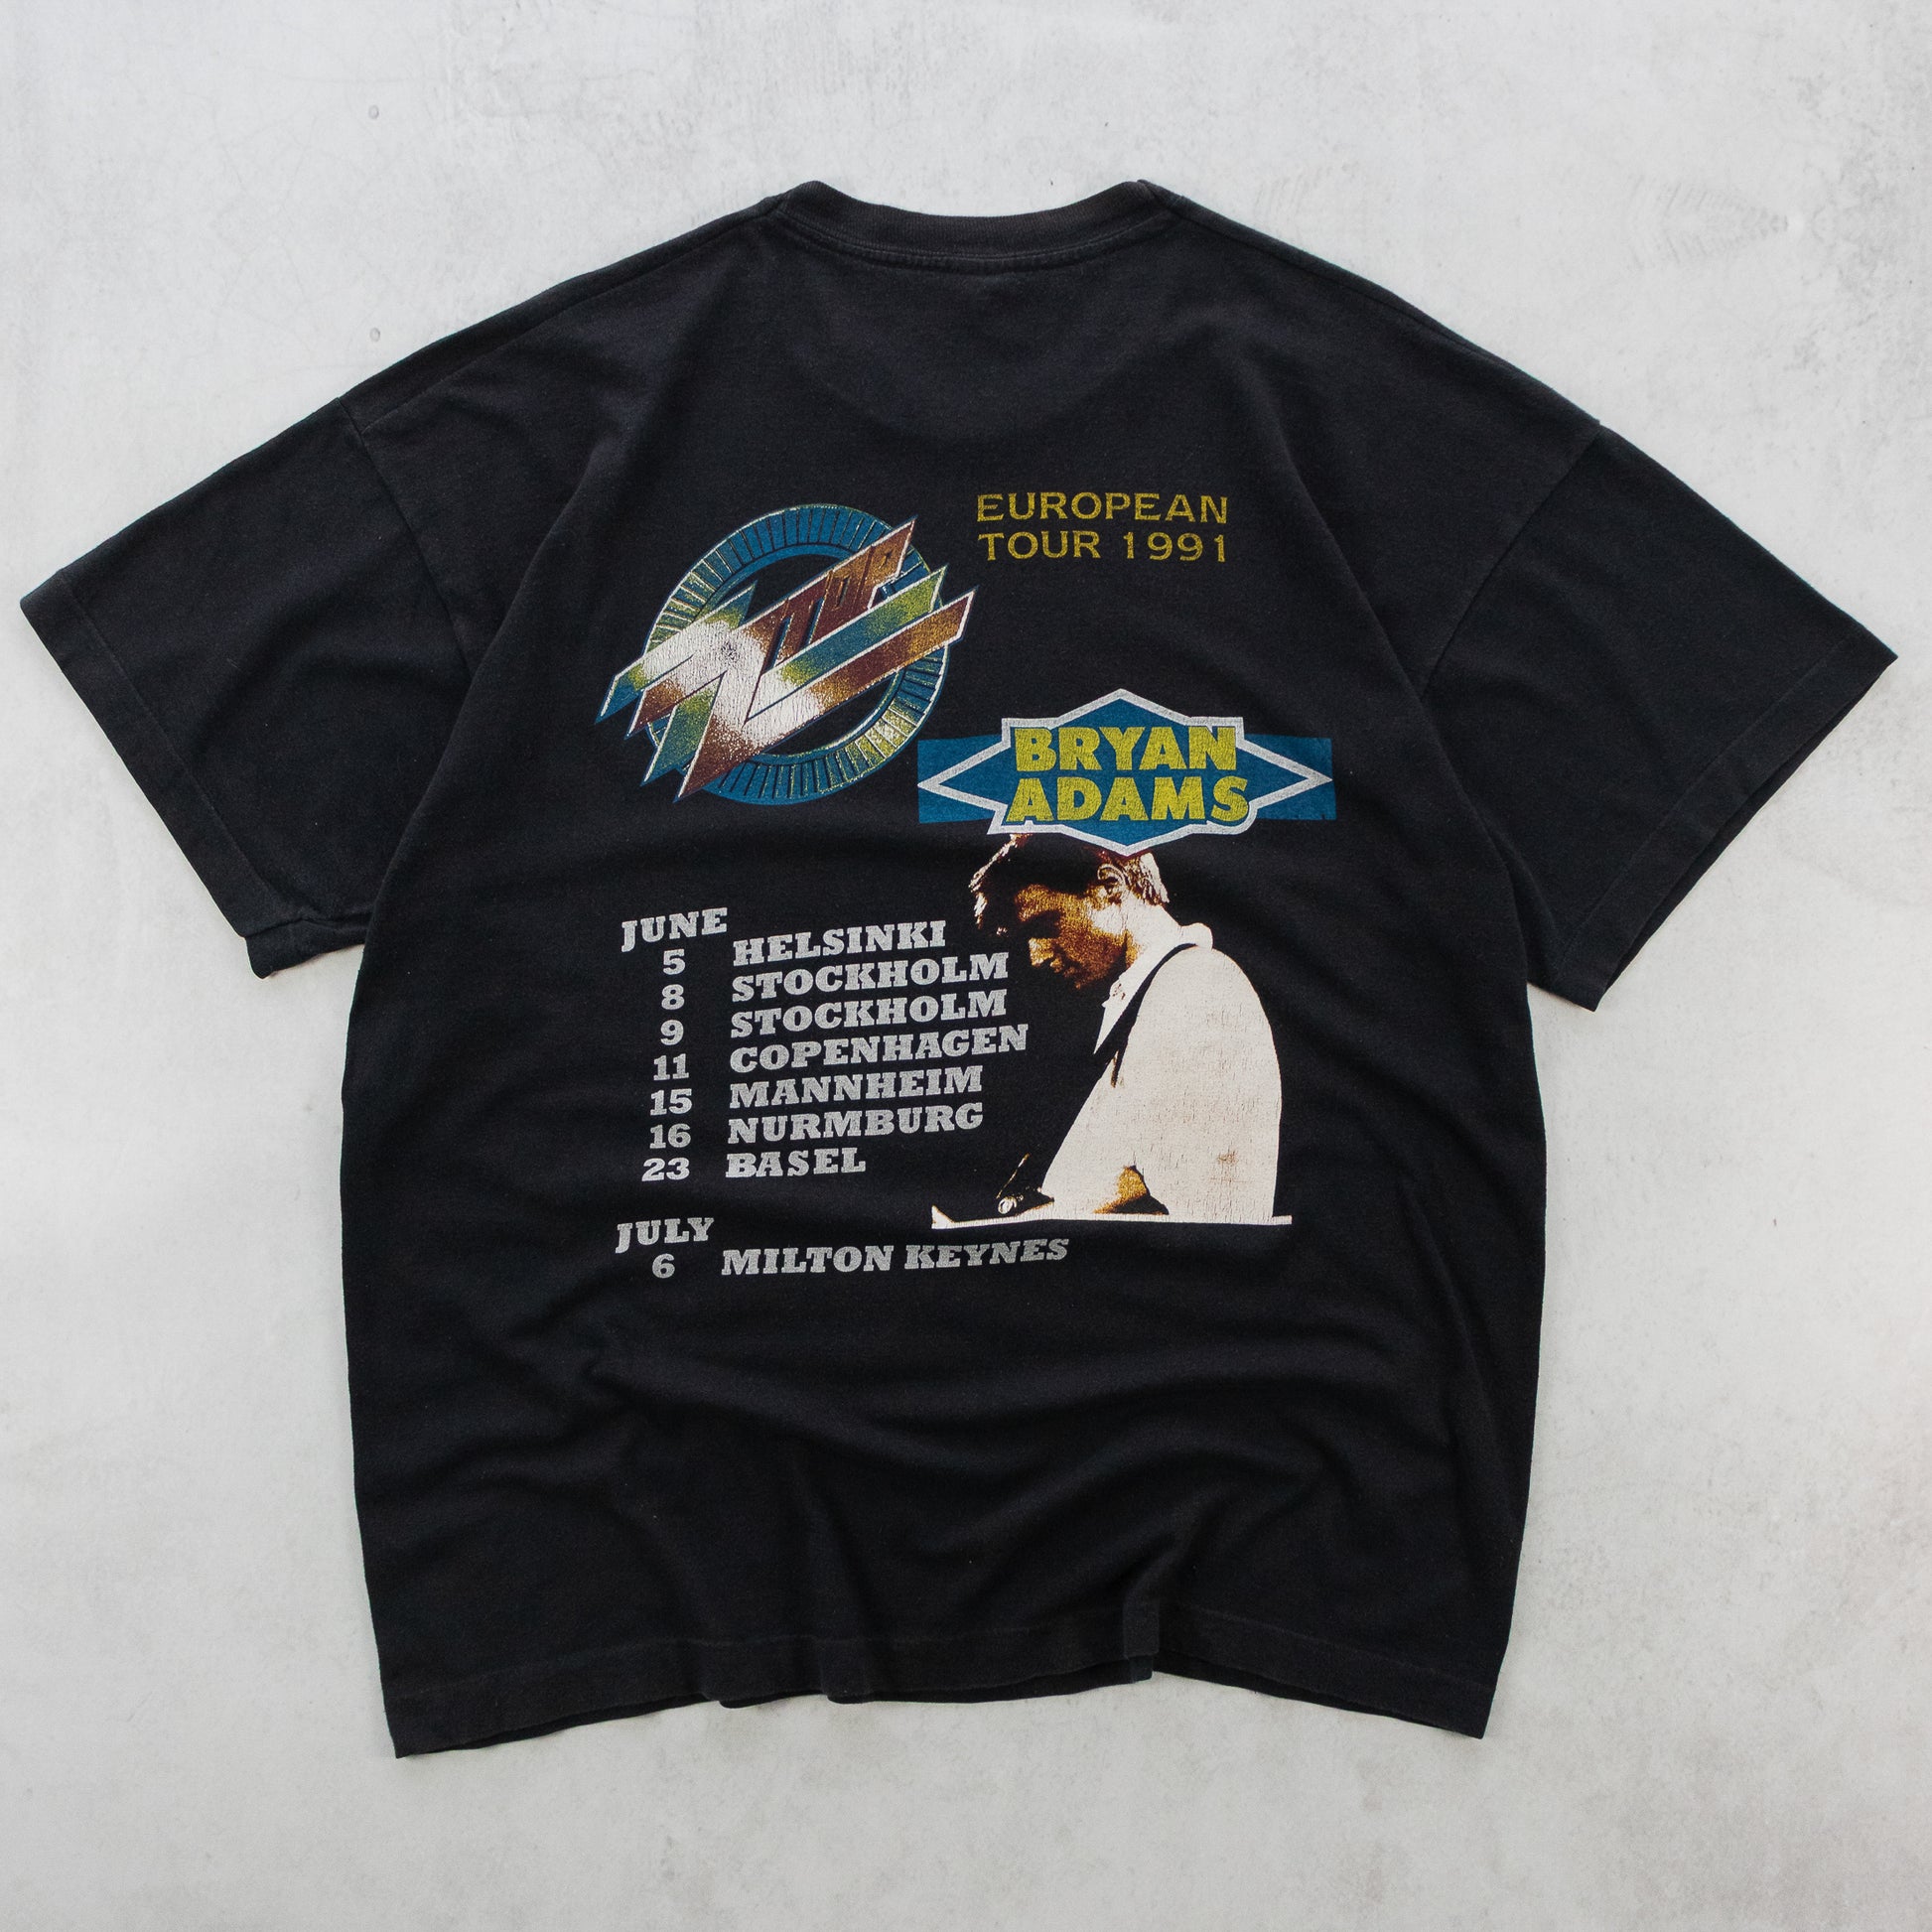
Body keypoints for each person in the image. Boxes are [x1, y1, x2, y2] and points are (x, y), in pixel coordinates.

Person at [965, 835, 1282, 1221]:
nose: (1036, 956)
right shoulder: (1151, 997)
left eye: (1045, 927)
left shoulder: (1194, 983)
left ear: (1110, 886)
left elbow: (1191, 1204)